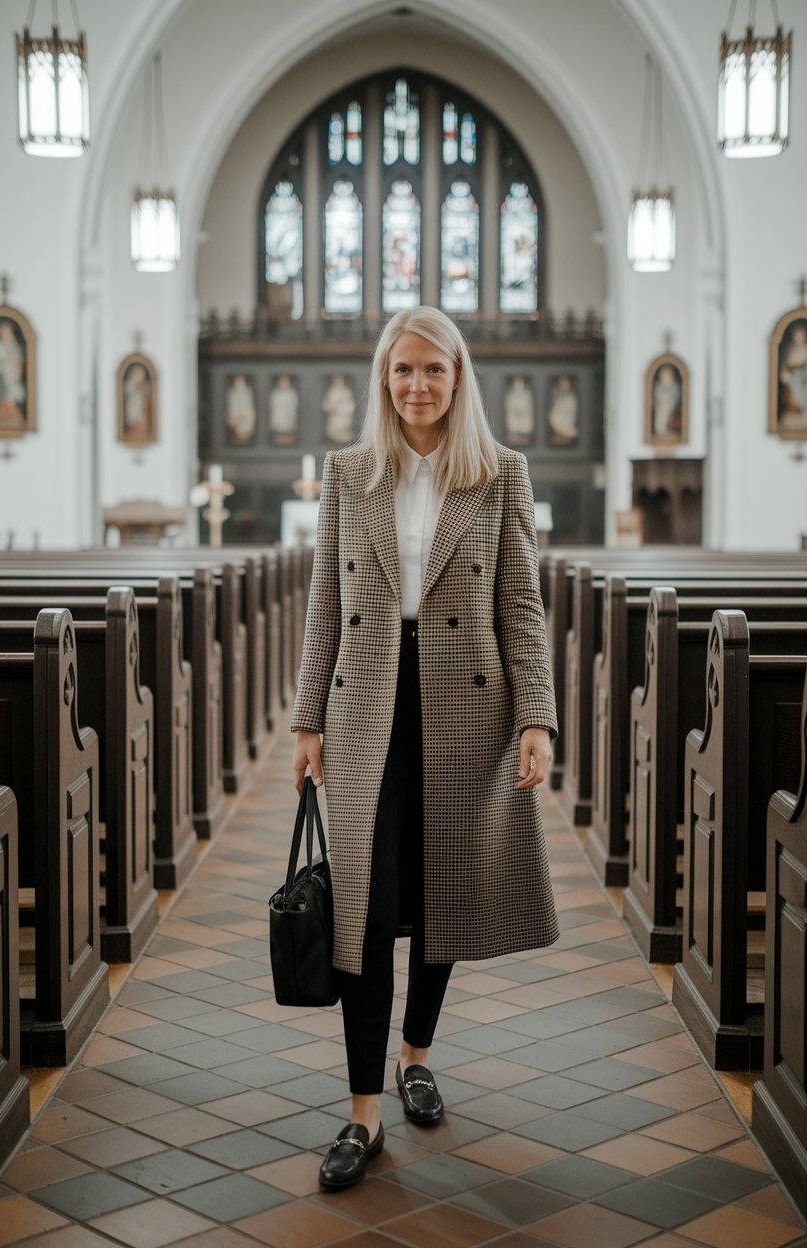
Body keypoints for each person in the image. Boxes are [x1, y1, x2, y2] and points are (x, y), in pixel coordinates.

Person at [291, 306, 558, 1190]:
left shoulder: (498, 475)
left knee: (443, 889)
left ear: (458, 376)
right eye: (402, 371)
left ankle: (417, 1055)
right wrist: (306, 720)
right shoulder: (348, 473)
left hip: (464, 705)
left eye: (432, 371)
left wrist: (537, 717)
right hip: (367, 702)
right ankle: (363, 1113)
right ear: (383, 377)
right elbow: (326, 604)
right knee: (368, 905)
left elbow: (522, 604)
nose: (416, 386)